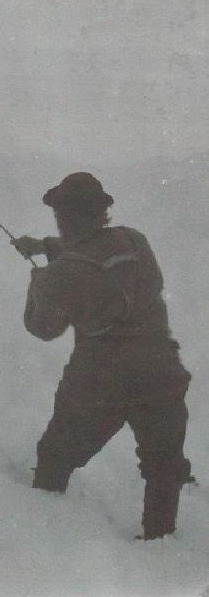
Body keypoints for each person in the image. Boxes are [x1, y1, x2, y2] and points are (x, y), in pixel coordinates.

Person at [12, 172, 192, 540]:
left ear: (63, 217)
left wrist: (39, 284)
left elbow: (43, 328)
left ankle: (43, 535)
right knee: (163, 464)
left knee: (56, 455)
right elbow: (99, 256)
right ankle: (160, 543)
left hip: (99, 381)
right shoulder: (135, 241)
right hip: (160, 371)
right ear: (101, 212)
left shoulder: (61, 274)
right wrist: (46, 247)